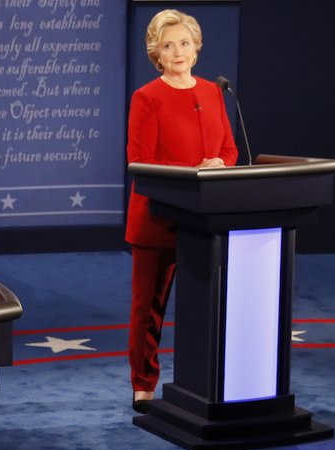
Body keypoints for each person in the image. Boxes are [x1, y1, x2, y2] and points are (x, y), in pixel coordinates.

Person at [127, 10, 239, 412]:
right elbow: (139, 161)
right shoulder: (147, 97)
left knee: (204, 306)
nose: (178, 51)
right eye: (169, 45)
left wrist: (220, 165)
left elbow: (229, 149)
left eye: (185, 43)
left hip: (205, 220)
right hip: (157, 220)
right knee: (148, 308)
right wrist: (194, 171)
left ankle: (202, 381)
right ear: (156, 52)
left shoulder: (213, 92)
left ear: (196, 48)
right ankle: (144, 383)